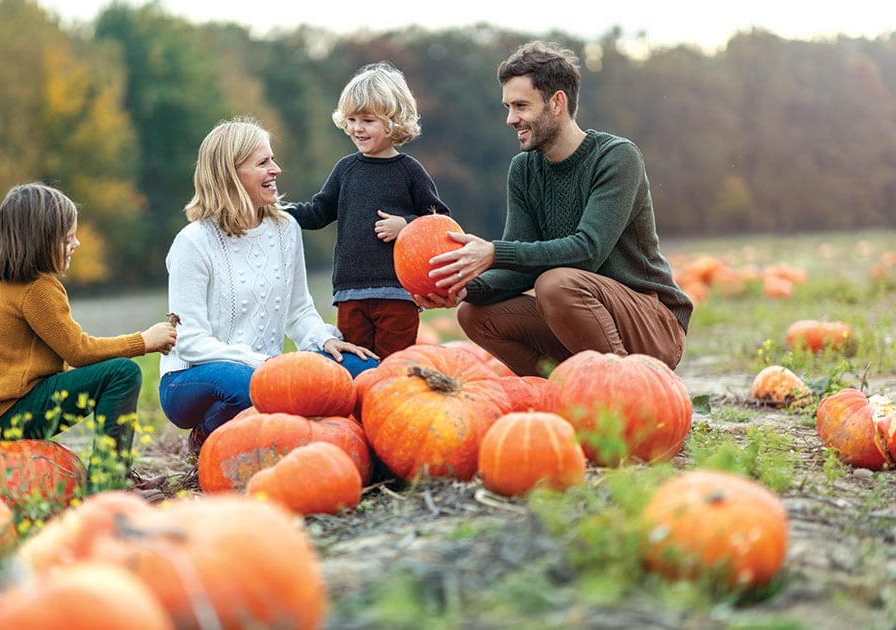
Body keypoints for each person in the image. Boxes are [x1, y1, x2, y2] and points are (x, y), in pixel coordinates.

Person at [414, 41, 693, 376]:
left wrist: (492, 252)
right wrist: (463, 289)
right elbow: (519, 269)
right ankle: (563, 397)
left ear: (557, 102)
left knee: (555, 284)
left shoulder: (616, 157)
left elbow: (588, 250)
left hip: (652, 324)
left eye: (520, 106)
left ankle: (627, 389)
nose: (510, 119)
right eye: (507, 106)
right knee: (474, 314)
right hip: (580, 321)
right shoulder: (524, 170)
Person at [158, 117, 379, 455]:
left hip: (266, 371)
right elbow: (188, 342)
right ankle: (208, 437)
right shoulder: (194, 242)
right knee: (247, 386)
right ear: (231, 173)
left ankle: (347, 447)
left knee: (365, 371)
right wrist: (261, 364)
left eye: (272, 159)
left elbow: (299, 310)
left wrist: (322, 341)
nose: (276, 169)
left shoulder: (285, 228)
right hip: (191, 378)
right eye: (263, 162)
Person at [0, 183, 178, 493]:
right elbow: (78, 351)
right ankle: (109, 485)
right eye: (68, 238)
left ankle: (115, 473)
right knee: (122, 373)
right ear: (40, 242)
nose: (77, 243)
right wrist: (143, 341)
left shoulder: (16, 286)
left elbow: (66, 356)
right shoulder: (36, 289)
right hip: (14, 412)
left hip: (5, 412)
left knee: (111, 374)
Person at [285, 61, 451, 358]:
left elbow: (439, 222)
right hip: (350, 293)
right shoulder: (345, 169)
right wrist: (279, 212)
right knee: (354, 367)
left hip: (397, 294)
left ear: (393, 122)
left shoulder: (409, 171)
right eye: (351, 119)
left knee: (390, 367)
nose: (356, 128)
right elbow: (318, 212)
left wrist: (406, 225)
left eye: (367, 120)